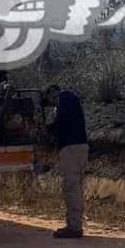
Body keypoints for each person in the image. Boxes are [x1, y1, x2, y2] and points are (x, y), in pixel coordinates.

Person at [43, 84, 88, 238]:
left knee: (71, 187)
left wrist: (47, 130)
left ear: (52, 93)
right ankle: (75, 224)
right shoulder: (70, 98)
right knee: (75, 186)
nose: (50, 103)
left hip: (71, 148)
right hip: (79, 146)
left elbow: (62, 122)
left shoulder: (64, 98)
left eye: (49, 99)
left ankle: (74, 227)